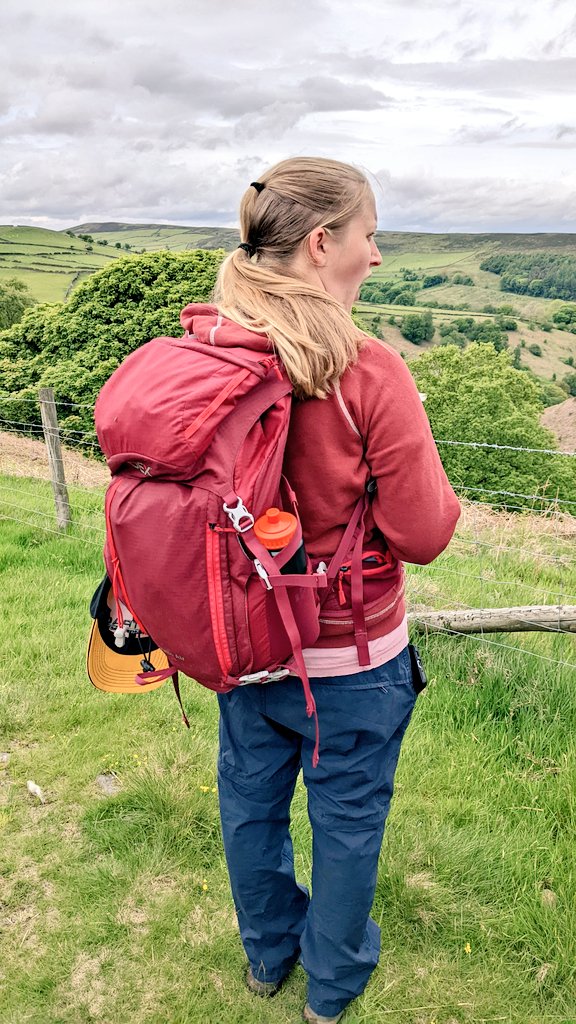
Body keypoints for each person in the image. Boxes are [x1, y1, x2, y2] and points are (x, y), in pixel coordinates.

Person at [206, 157, 460, 1023]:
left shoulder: (209, 349)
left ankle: (266, 959)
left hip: (241, 645)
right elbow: (425, 533)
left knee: (250, 807)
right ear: (324, 244)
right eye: (369, 233)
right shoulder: (366, 369)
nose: (378, 254)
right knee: (347, 820)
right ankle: (334, 984)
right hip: (350, 655)